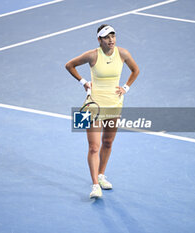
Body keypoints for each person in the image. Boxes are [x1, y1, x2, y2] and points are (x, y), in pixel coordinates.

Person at [65, 24, 139, 198]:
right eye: (106, 37)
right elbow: (69, 65)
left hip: (115, 104)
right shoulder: (92, 55)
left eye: (113, 36)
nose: (111, 40)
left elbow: (136, 70)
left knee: (108, 143)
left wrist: (126, 88)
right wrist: (84, 82)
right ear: (99, 39)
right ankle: (95, 186)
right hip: (93, 105)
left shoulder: (123, 53)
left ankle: (101, 174)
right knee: (93, 147)